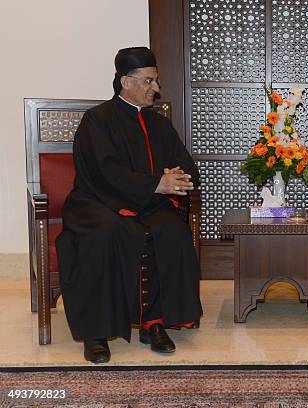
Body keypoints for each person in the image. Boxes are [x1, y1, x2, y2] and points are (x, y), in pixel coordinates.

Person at [56, 47, 203, 364]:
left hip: (148, 203)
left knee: (172, 232)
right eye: (149, 80)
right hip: (97, 203)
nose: (157, 88)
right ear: (126, 81)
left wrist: (175, 179)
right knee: (105, 235)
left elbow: (186, 166)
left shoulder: (160, 125)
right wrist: (155, 184)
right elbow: (103, 172)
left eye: (157, 80)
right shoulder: (97, 120)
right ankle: (96, 332)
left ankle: (155, 322)